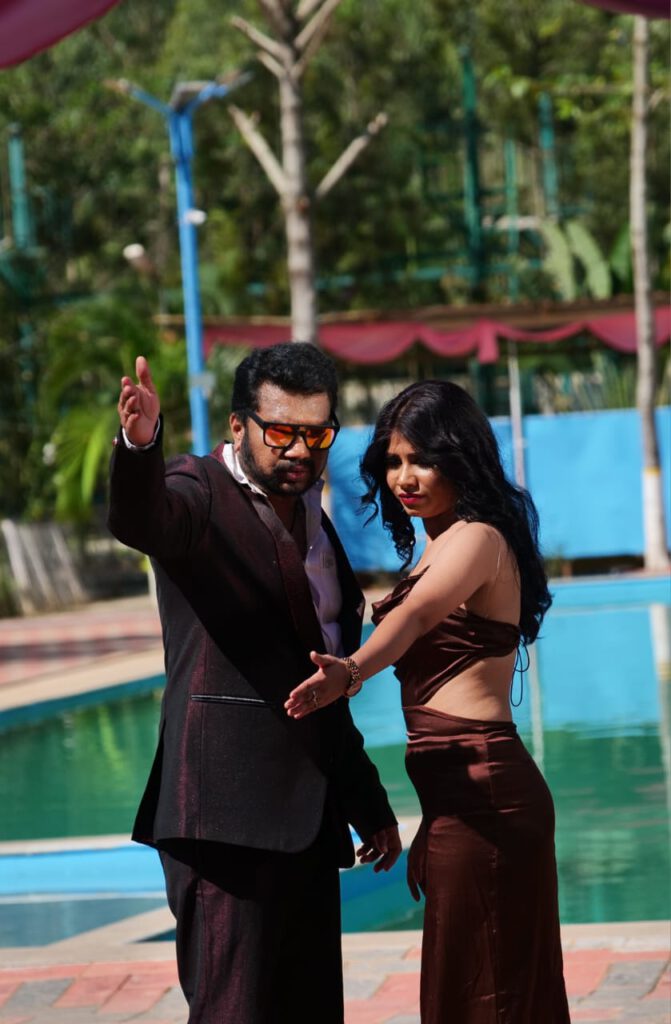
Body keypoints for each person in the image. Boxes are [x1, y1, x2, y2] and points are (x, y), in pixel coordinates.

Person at [108, 342, 401, 1024]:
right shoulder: (198, 490)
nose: (299, 449)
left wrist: (366, 800)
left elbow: (319, 679)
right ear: (239, 426)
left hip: (307, 822)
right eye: (281, 432)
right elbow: (144, 519)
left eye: (316, 435)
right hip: (223, 821)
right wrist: (141, 444)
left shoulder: (317, 526)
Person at [285, 380, 571, 1024]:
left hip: (490, 795)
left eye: (421, 460)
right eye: (393, 461)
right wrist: (435, 823)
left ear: (460, 458)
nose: (403, 478)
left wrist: (350, 671)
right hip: (460, 801)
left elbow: (413, 618)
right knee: (468, 986)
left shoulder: (478, 537)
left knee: (491, 992)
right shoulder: (435, 544)